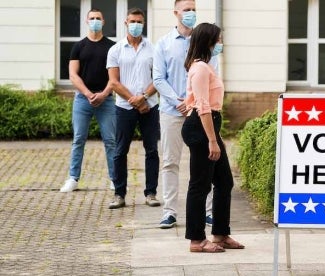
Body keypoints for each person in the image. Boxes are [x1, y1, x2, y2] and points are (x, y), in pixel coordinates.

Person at [182, 22, 244, 253]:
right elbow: (202, 106)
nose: (221, 43)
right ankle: (196, 239)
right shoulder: (199, 68)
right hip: (201, 127)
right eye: (218, 40)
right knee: (200, 185)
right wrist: (211, 139)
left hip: (208, 125)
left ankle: (220, 233)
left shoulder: (206, 67)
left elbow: (199, 102)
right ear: (208, 41)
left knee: (224, 181)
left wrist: (214, 135)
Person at [153, 0, 214, 229]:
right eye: (186, 9)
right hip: (171, 111)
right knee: (170, 162)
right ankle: (169, 211)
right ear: (176, 13)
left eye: (194, 10)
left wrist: (194, 103)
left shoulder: (204, 42)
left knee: (204, 162)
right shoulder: (164, 44)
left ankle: (207, 211)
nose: (190, 13)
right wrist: (175, 101)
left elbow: (211, 74)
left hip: (199, 112)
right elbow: (158, 78)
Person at [106, 8, 161, 209]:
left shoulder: (153, 49)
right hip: (124, 108)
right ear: (125, 23)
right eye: (133, 21)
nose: (136, 25)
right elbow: (113, 82)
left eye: (139, 21)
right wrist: (134, 100)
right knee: (120, 151)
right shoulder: (115, 50)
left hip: (150, 107)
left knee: (152, 150)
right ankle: (119, 194)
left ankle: (151, 193)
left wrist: (145, 97)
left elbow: (158, 78)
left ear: (143, 23)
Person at [60, 9, 116, 193]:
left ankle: (115, 180)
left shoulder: (111, 46)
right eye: (92, 18)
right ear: (86, 21)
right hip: (82, 100)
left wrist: (103, 94)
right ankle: (73, 179)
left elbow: (115, 77)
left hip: (106, 100)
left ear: (103, 21)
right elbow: (73, 75)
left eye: (98, 18)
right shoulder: (79, 46)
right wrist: (88, 94)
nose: (95, 21)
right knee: (78, 140)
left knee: (110, 141)